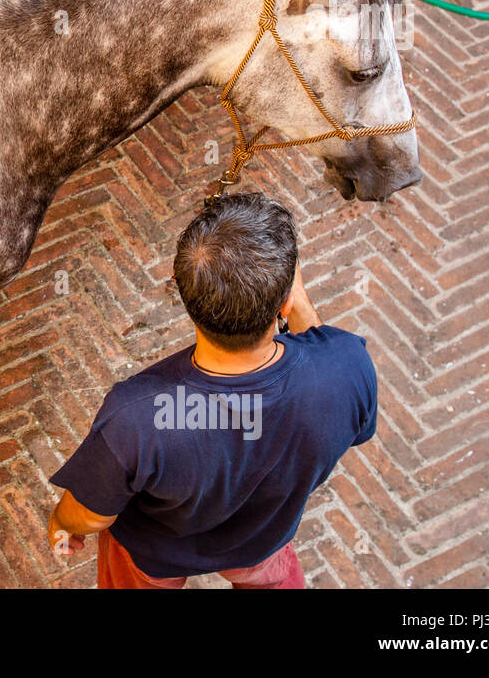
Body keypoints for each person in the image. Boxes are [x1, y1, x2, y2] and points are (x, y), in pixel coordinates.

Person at [46, 192, 378, 589]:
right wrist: (297, 300)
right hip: (261, 543)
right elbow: (324, 361)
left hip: (155, 556)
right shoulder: (347, 368)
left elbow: (91, 515)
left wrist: (60, 520)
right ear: (284, 300)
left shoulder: (134, 419)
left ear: (181, 288)